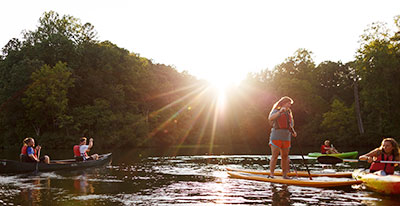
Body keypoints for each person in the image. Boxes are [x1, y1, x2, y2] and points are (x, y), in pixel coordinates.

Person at [268, 96, 297, 179]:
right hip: (276, 136)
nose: (290, 105)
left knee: (285, 156)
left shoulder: (289, 113)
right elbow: (270, 118)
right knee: (275, 156)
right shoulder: (276, 110)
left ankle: (284, 175)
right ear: (284, 103)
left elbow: (291, 124)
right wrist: (280, 112)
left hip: (286, 136)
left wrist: (293, 132)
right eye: (289, 103)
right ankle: (271, 174)